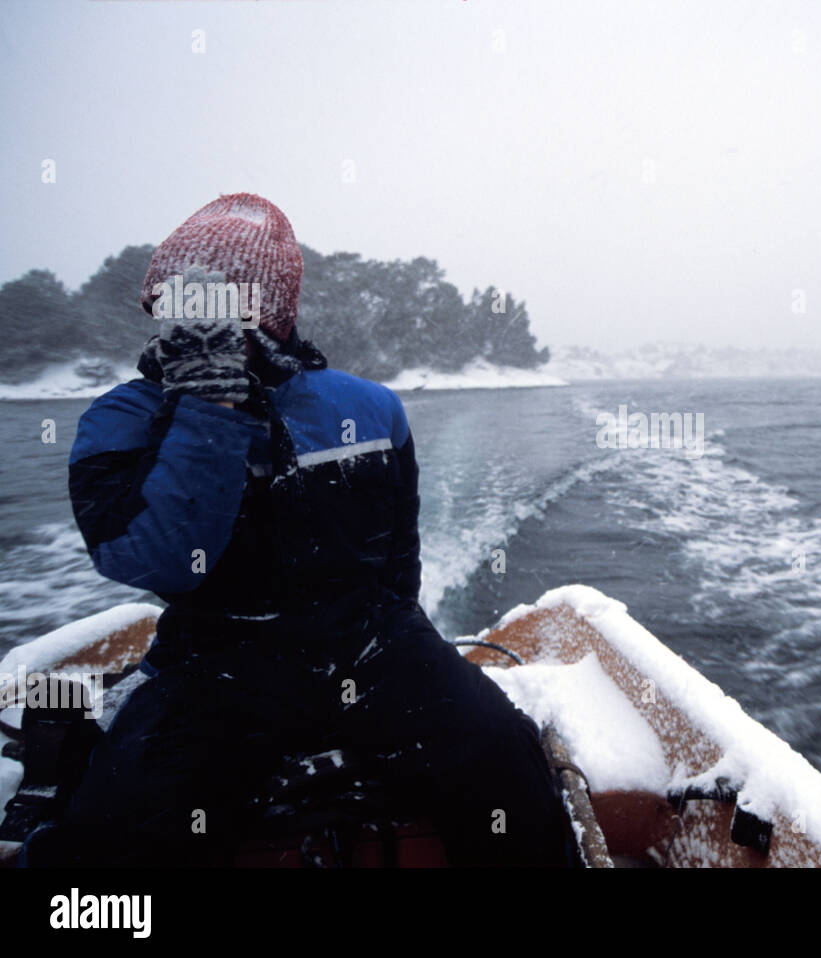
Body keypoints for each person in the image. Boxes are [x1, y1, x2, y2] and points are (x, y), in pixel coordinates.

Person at [30, 193, 575, 867]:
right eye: (175, 302)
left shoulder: (368, 408)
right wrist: (212, 406)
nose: (190, 318)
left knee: (512, 776)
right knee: (106, 844)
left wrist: (400, 646)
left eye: (220, 303)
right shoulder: (121, 421)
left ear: (274, 309)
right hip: (213, 667)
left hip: (373, 648)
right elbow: (165, 563)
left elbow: (398, 566)